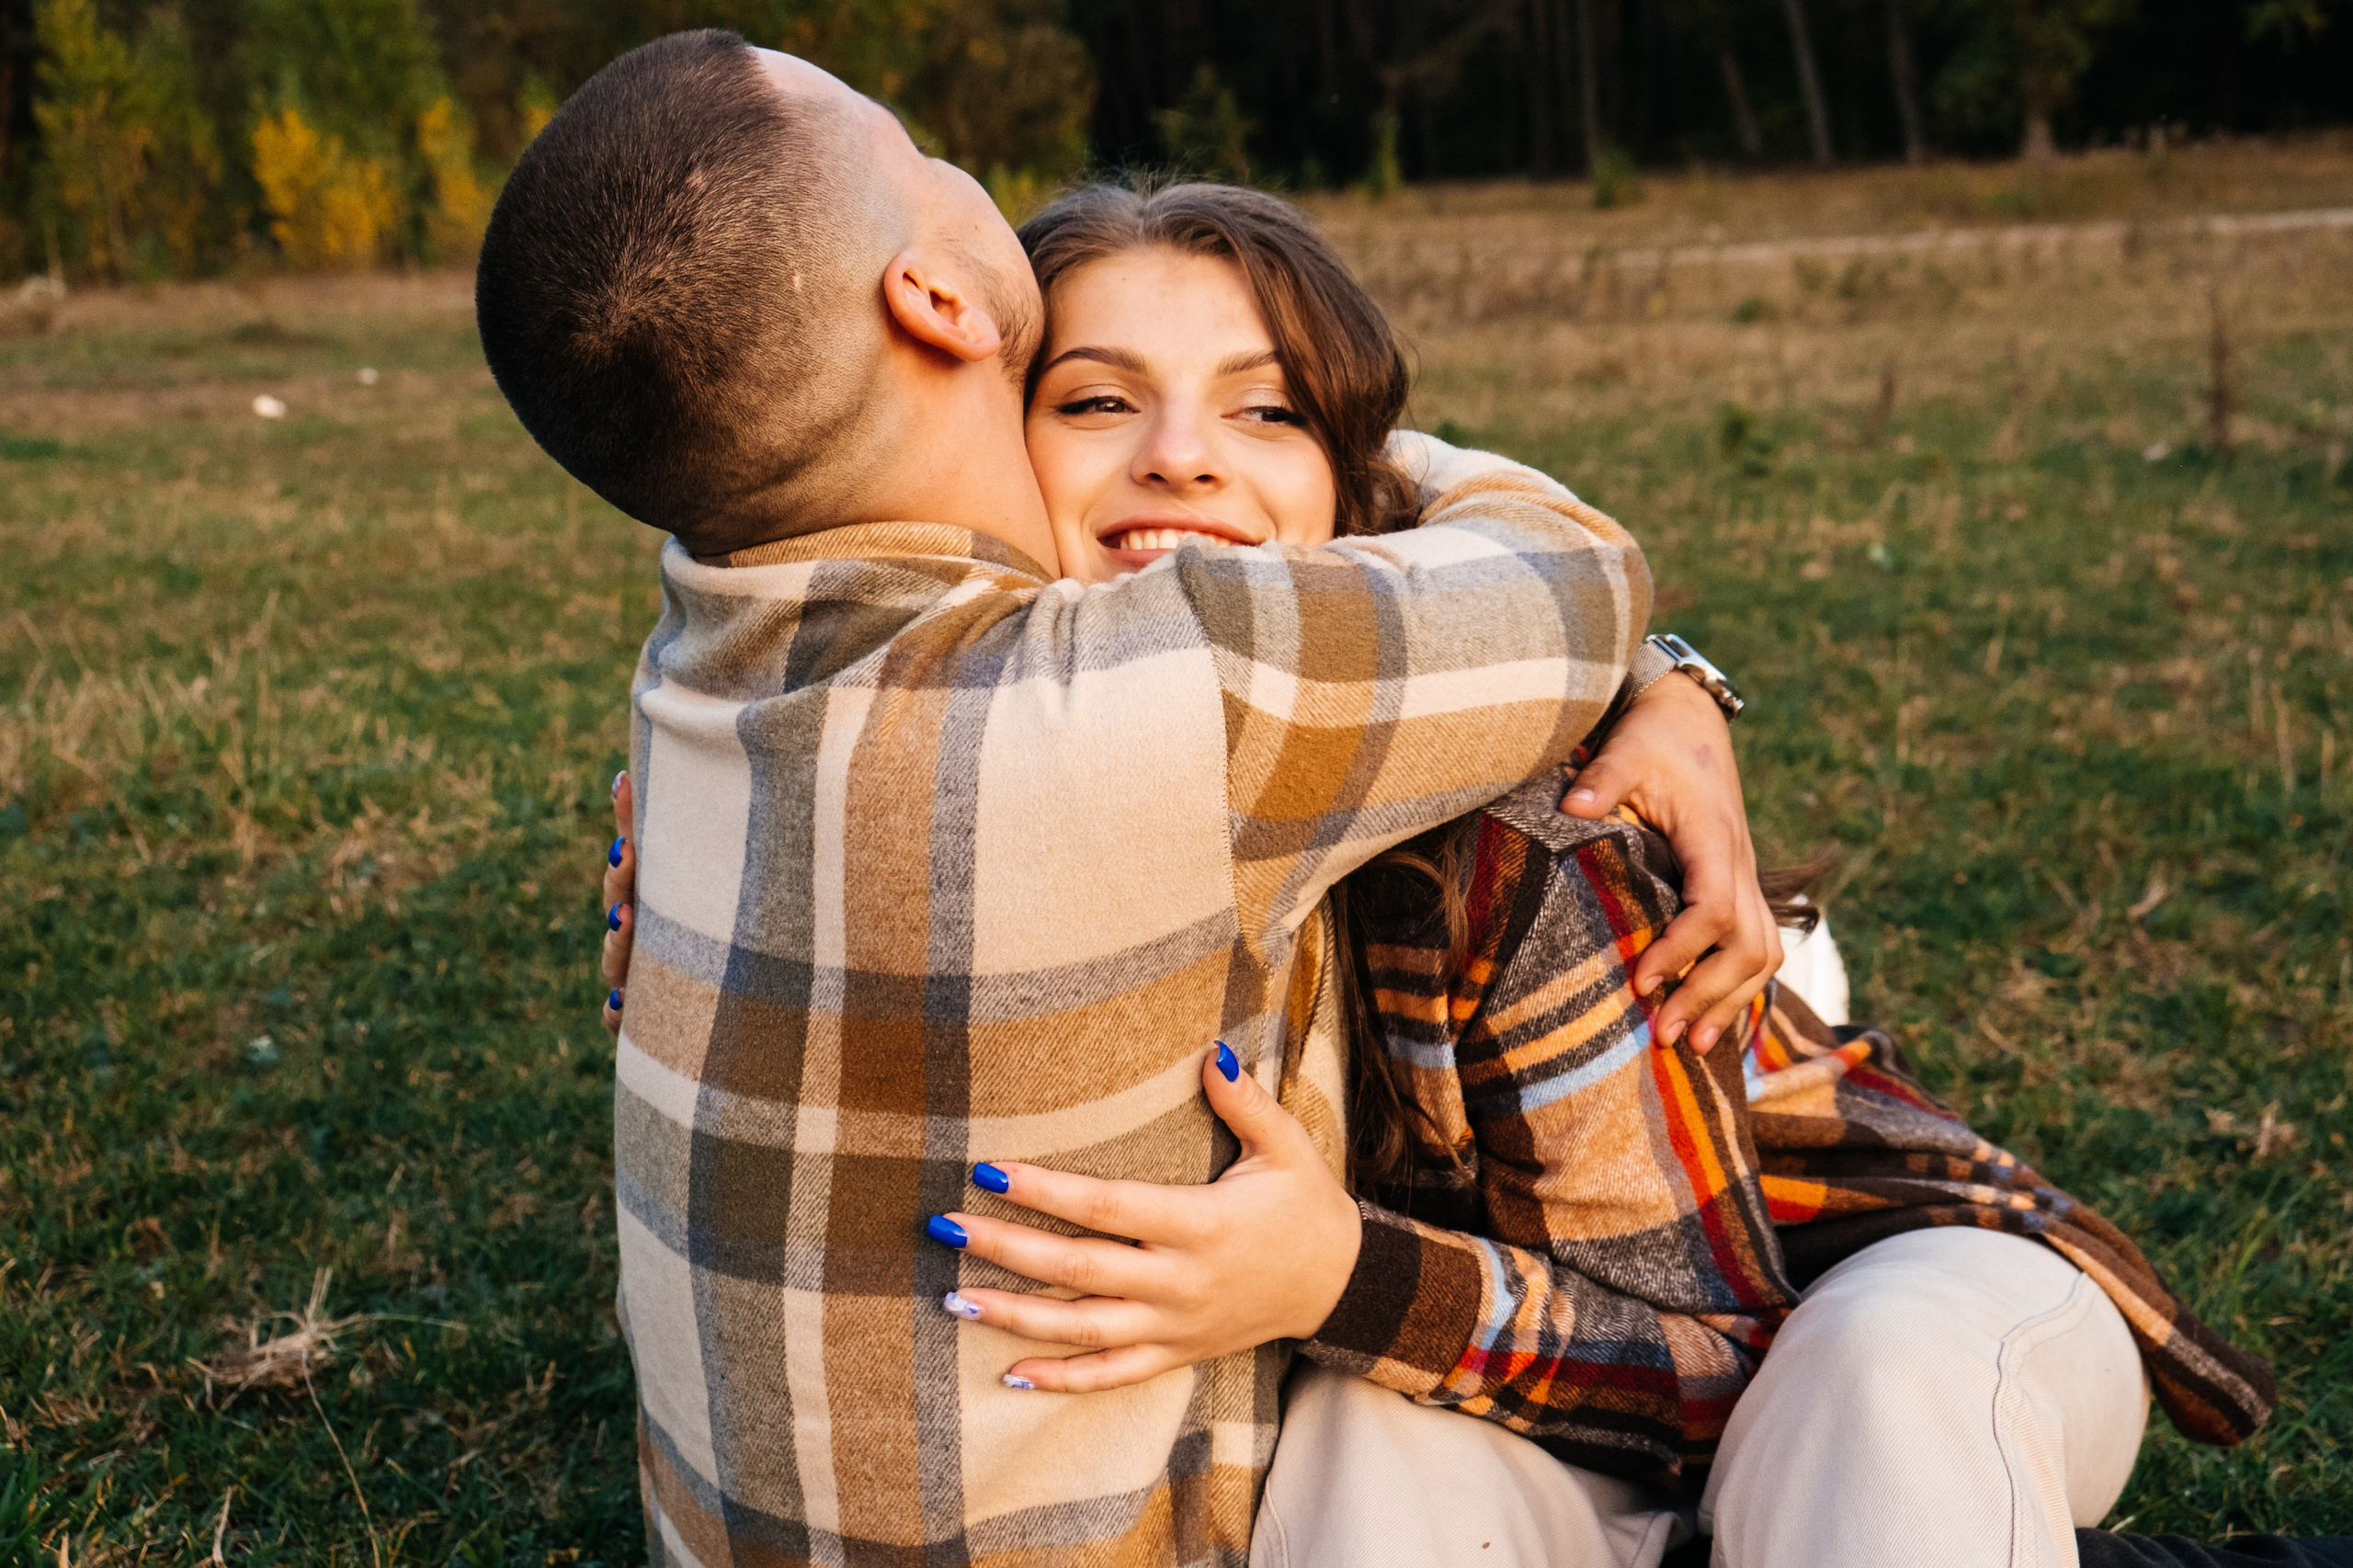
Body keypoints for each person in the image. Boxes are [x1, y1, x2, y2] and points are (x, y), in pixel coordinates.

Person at [587, 174, 2287, 1568]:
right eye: (1096, 398)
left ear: (1356, 500)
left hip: (1831, 1278)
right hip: (1461, 1352)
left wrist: (1339, 1275)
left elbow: (1717, 1350)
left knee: (1871, 1402)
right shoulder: (913, 776)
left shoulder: (1507, 832)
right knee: (1356, 1468)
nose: (1180, 455)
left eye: (1267, 412)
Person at [481, 30, 1777, 1568]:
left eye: (1261, 409)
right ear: (943, 299)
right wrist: (1324, 452)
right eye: (915, 150)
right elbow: (1574, 572)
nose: (1182, 460)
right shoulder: (1183, 685)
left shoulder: (689, 678)